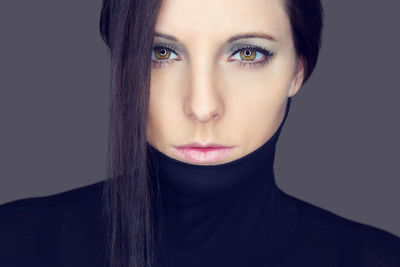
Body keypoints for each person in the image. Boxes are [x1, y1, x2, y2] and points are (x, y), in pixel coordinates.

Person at [1, 0, 399, 266]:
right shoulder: (18, 245)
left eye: (247, 53)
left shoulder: (375, 259)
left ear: (297, 71)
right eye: (161, 53)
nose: (203, 106)